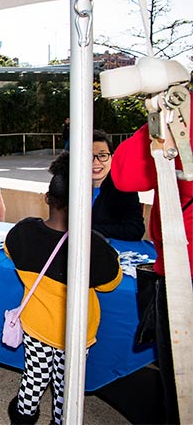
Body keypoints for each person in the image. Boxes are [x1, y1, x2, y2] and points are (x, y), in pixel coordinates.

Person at [5, 151, 122, 425]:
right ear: (81, 203)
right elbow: (110, 284)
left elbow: (11, 252)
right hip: (77, 331)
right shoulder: (93, 245)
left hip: (37, 327)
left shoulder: (22, 232)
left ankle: (23, 416)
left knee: (33, 380)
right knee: (66, 390)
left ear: (47, 198)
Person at [111, 117, 193, 424]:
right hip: (179, 264)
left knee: (182, 385)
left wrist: (161, 115)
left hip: (183, 271)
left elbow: (125, 174)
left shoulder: (181, 114)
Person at [91, 129, 145, 241]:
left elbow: (135, 229)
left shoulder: (124, 187)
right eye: (89, 156)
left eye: (102, 156)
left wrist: (88, 229)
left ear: (112, 157)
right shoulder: (69, 186)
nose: (96, 162)